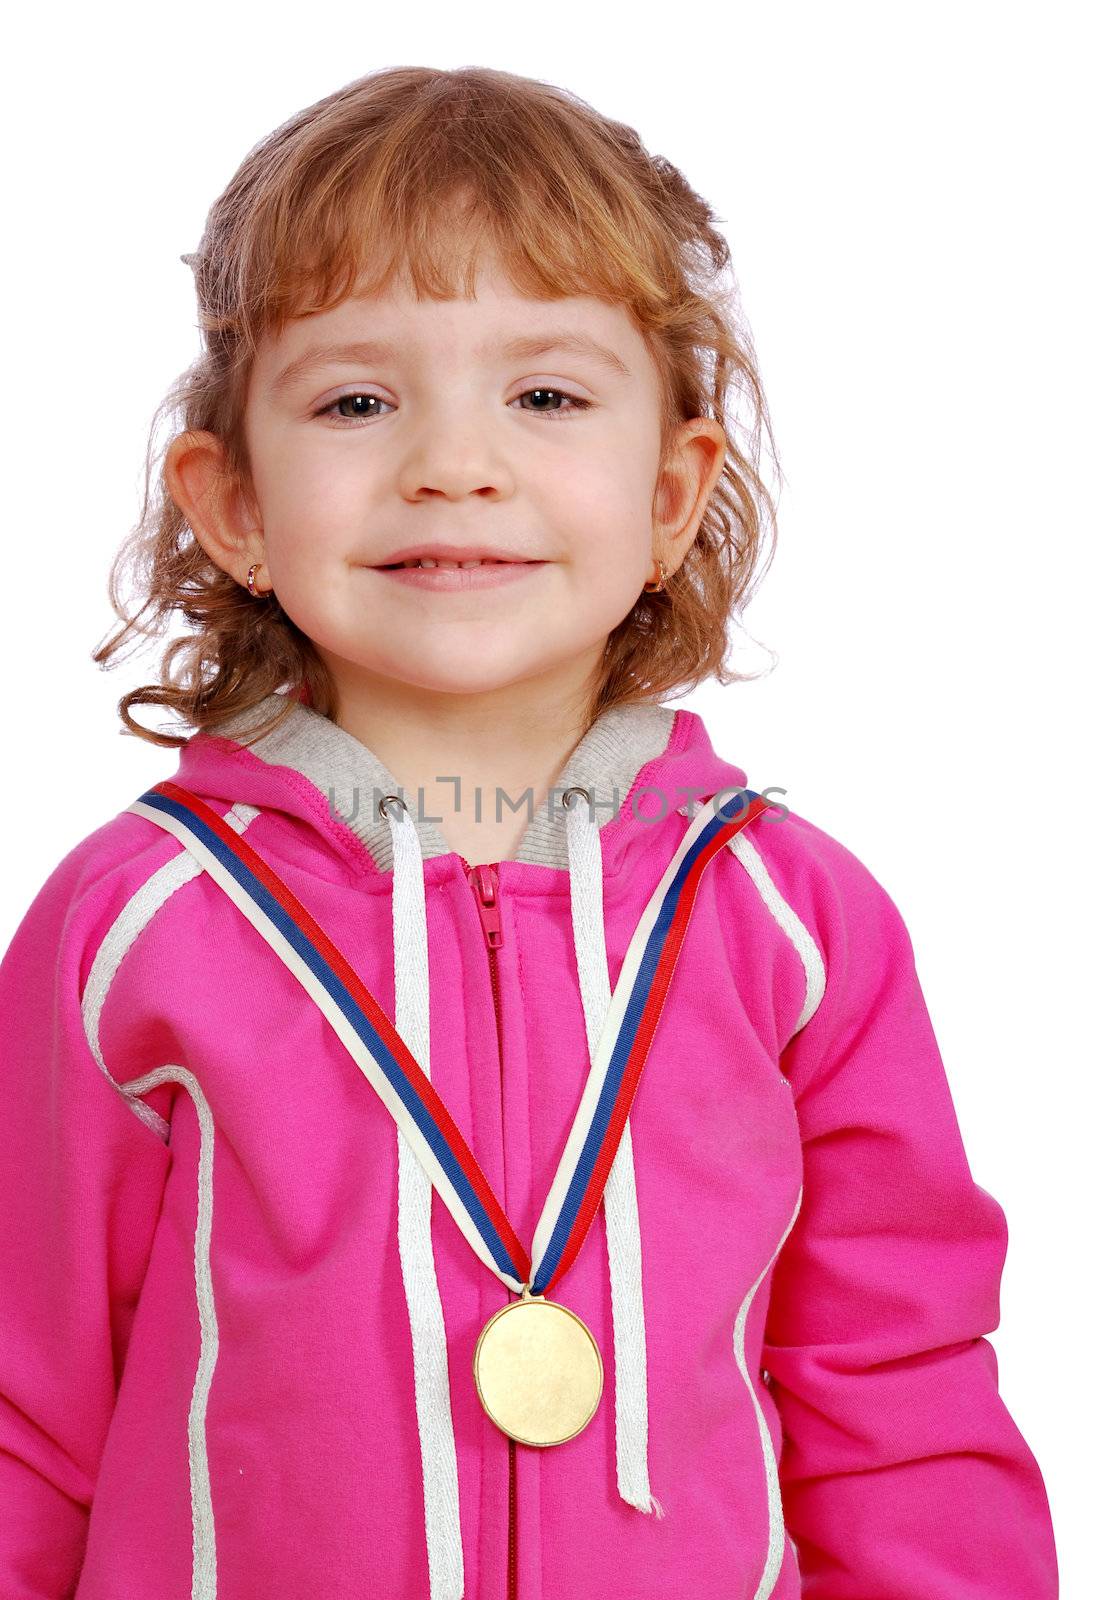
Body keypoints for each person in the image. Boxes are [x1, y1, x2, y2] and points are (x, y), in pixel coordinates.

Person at [0, 64, 1058, 1600]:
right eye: (357, 400)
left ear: (672, 492)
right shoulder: (127, 927)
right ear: (230, 503)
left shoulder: (798, 924)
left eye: (546, 395)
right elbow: (28, 1416)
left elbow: (897, 1405)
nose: (454, 460)